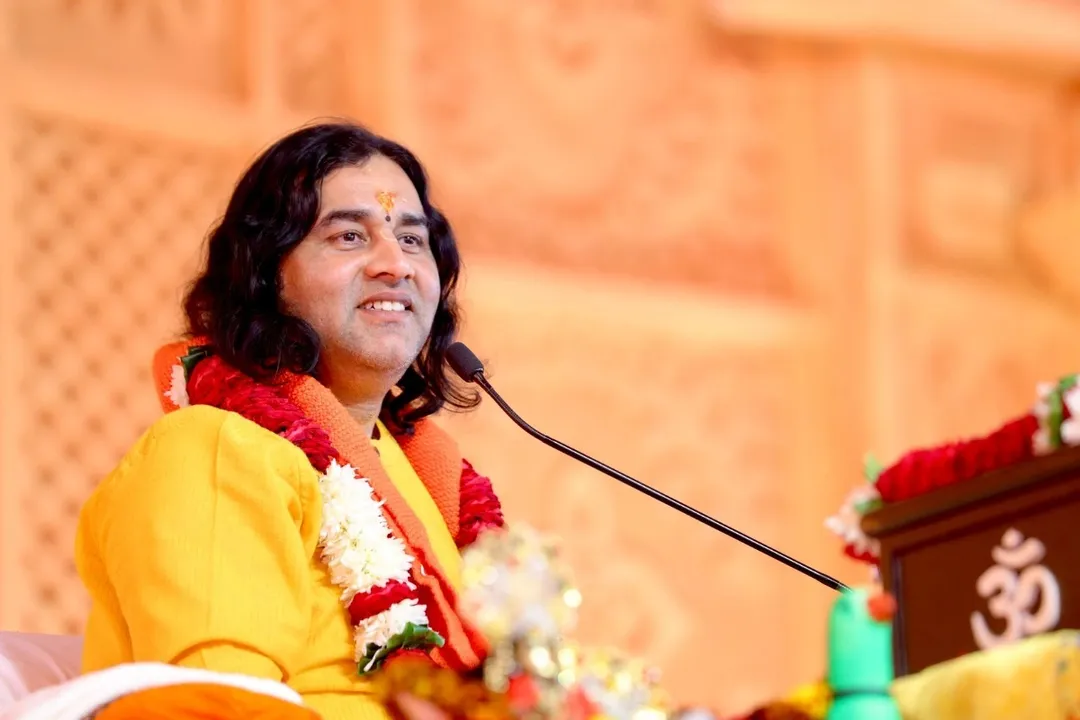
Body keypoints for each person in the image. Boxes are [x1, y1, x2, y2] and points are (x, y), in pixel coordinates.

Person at [74, 121, 506, 720]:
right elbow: (216, 709)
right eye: (349, 236)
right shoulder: (215, 451)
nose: (396, 264)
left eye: (412, 240)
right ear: (265, 275)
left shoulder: (431, 485)